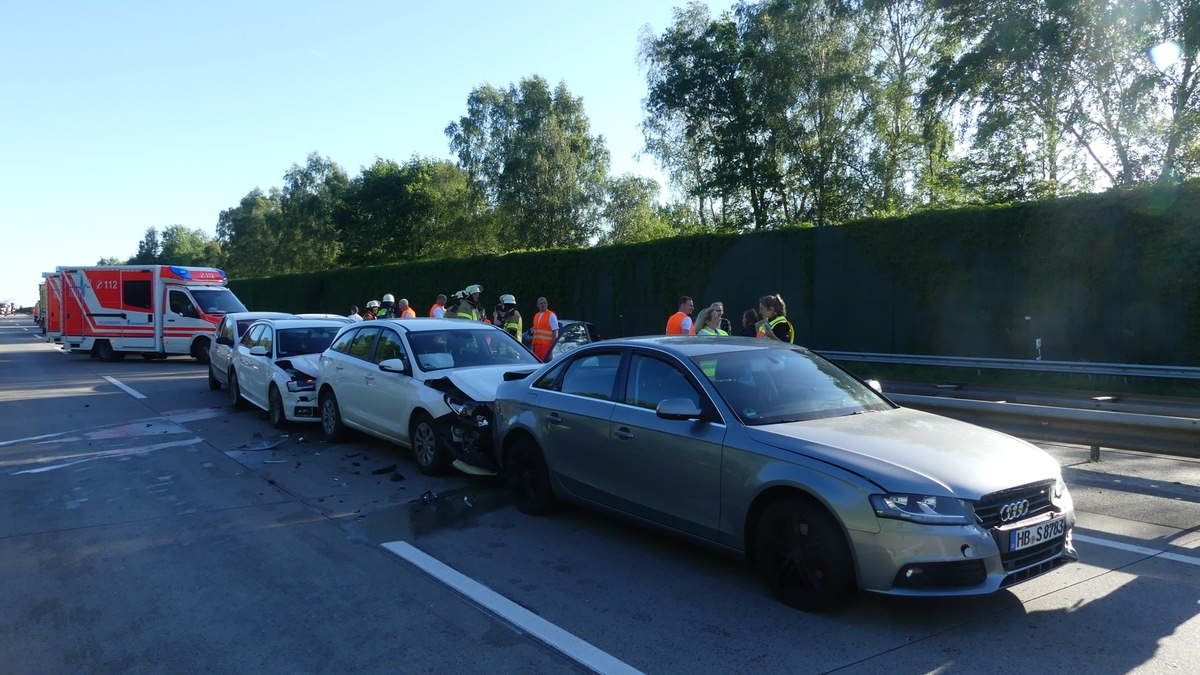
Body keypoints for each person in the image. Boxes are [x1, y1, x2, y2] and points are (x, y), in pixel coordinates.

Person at [531, 296, 559, 361]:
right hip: (536, 346)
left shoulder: (551, 315)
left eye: (545, 303)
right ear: (537, 305)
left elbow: (555, 331)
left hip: (546, 347)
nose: (543, 305)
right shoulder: (536, 316)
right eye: (541, 303)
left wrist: (553, 347)